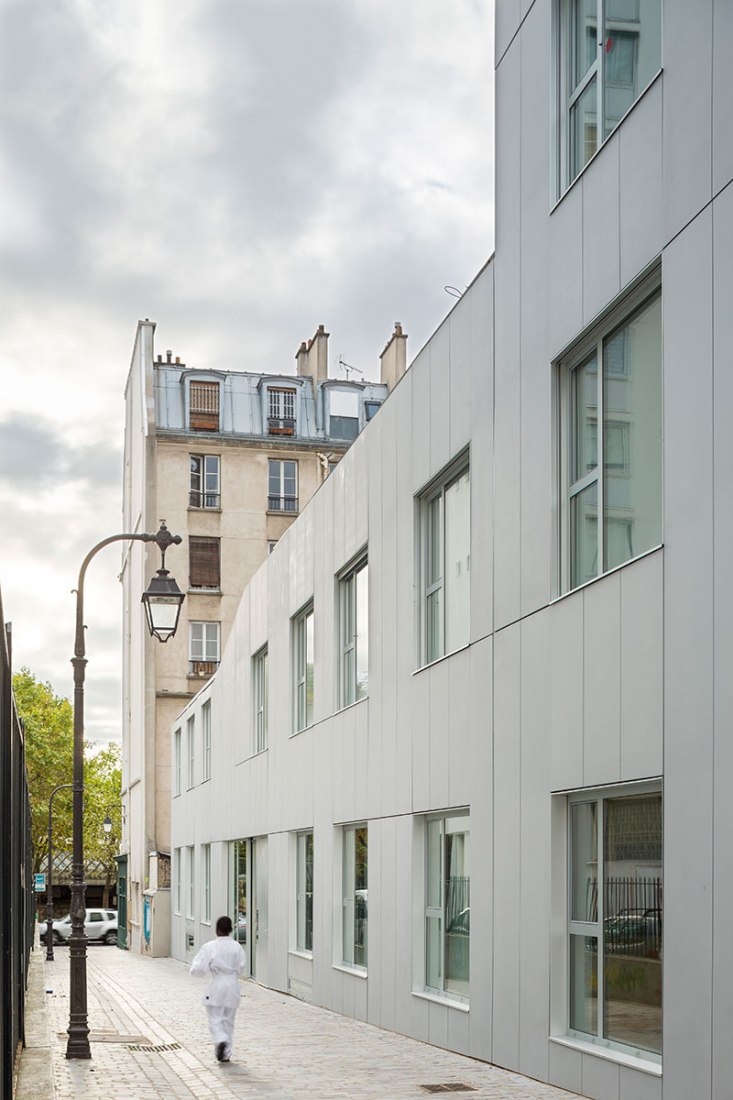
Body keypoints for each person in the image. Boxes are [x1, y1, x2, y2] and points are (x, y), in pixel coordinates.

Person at [190, 915, 246, 1063]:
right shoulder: (237, 947)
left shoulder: (210, 947)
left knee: (215, 1018)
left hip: (217, 984)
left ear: (217, 930)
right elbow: (241, 968)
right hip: (232, 985)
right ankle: (226, 1053)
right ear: (231, 930)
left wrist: (195, 972)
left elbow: (199, 968)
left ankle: (221, 1039)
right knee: (229, 1021)